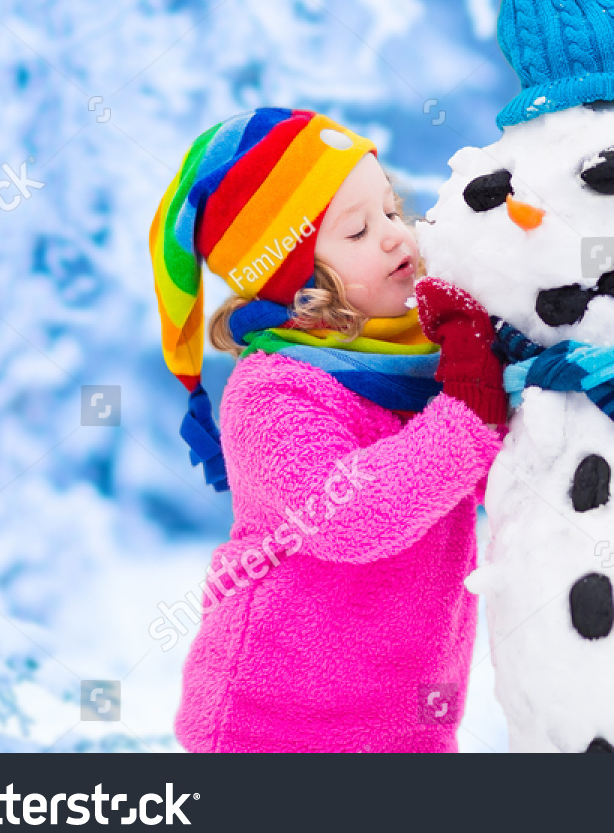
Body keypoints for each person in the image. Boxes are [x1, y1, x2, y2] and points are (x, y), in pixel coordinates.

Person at [148, 106, 507, 752]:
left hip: (404, 727)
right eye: (359, 230)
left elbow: (493, 476)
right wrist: (470, 410)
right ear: (295, 279)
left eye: (392, 211)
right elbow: (348, 515)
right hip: (271, 727)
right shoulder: (273, 390)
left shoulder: (417, 364)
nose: (396, 237)